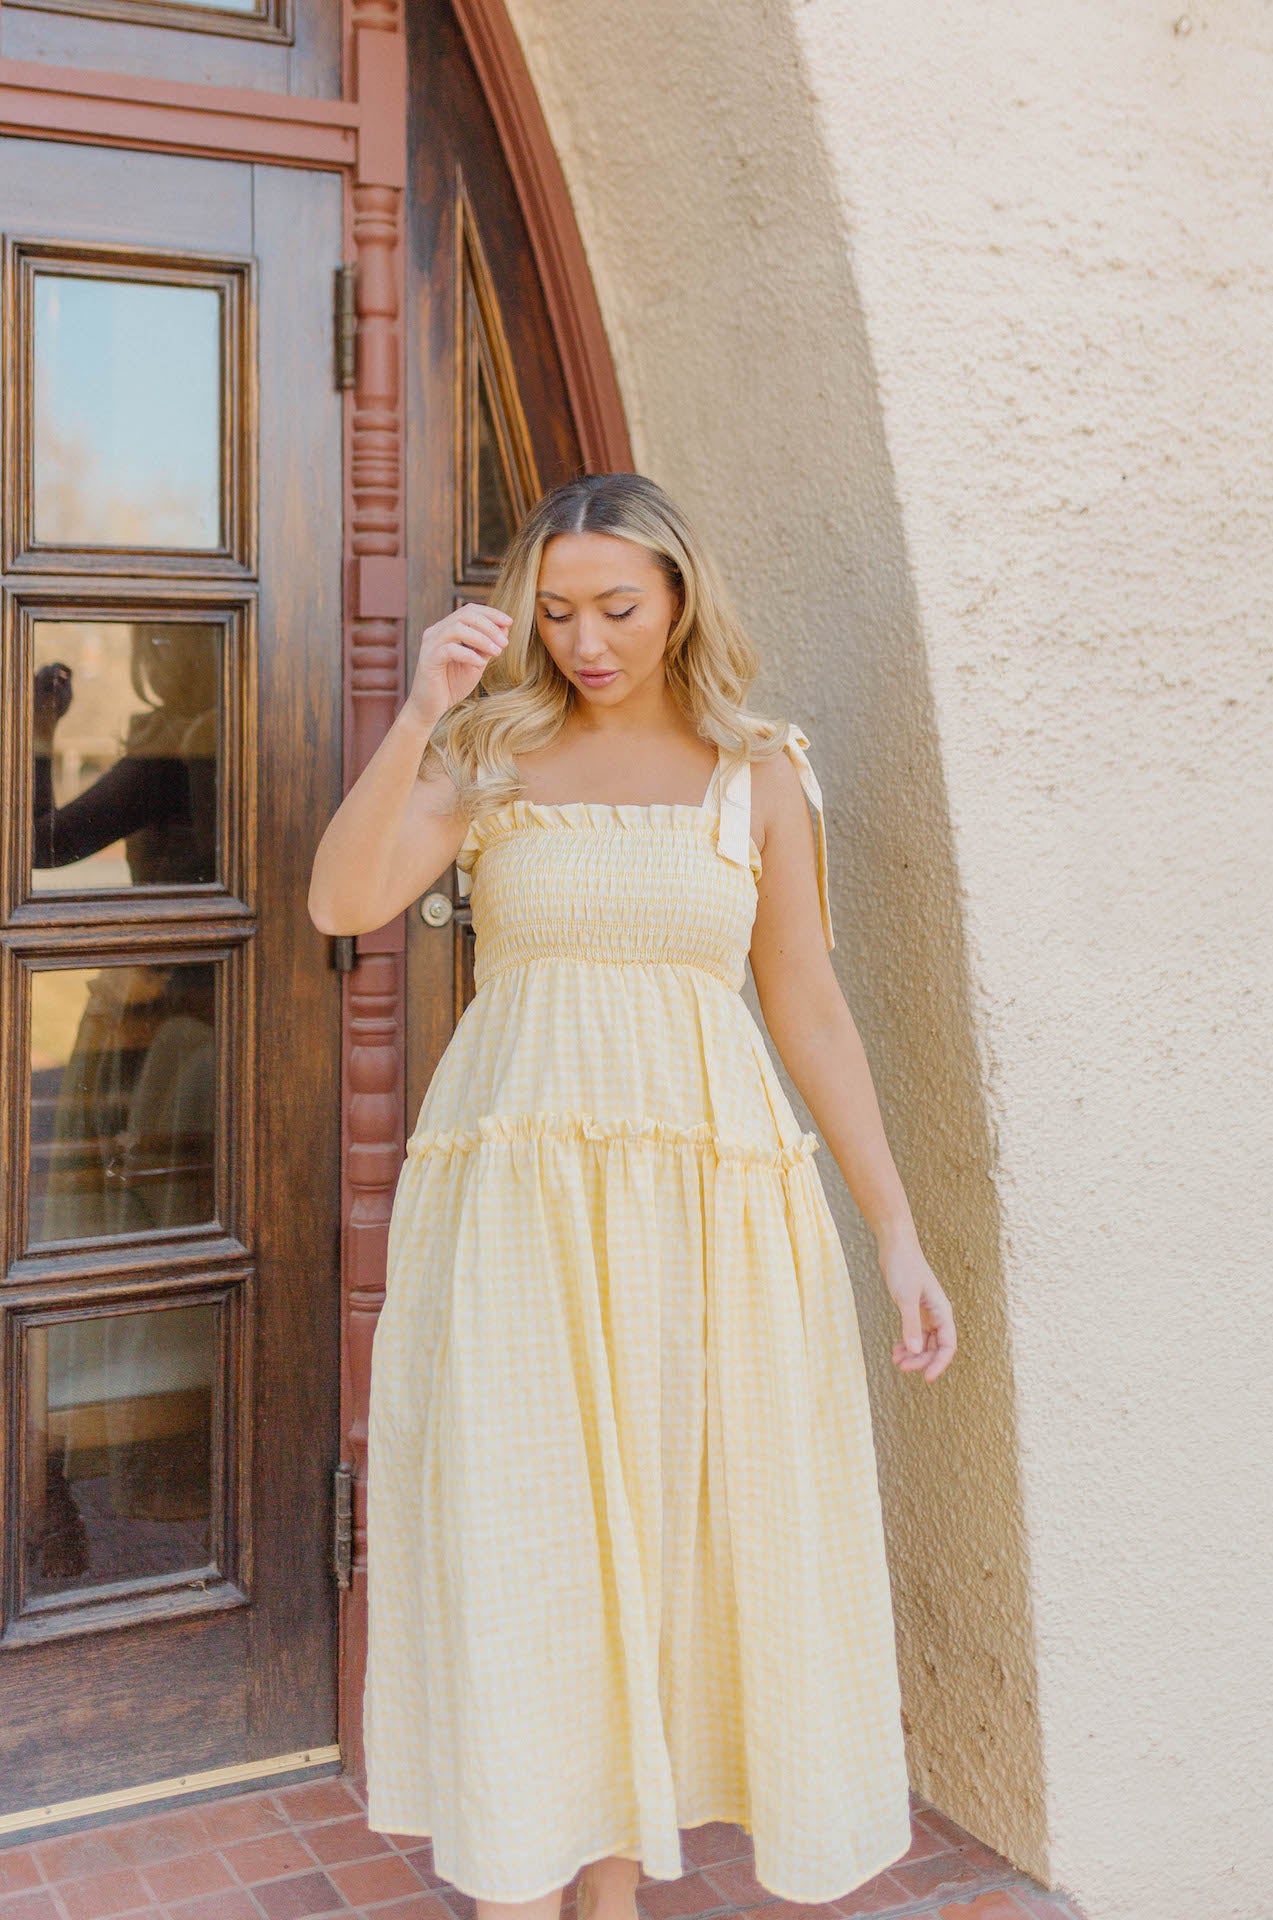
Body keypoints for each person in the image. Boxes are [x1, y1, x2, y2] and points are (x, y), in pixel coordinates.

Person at [308, 472, 957, 1920]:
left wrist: (897, 1234)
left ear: (677, 598)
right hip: (516, 1213)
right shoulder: (490, 753)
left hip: (714, 1219)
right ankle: (518, 1888)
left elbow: (807, 1007)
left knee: (660, 1557)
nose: (587, 639)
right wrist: (419, 711)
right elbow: (341, 902)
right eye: (556, 610)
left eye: (616, 607)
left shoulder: (758, 772)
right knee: (529, 1540)